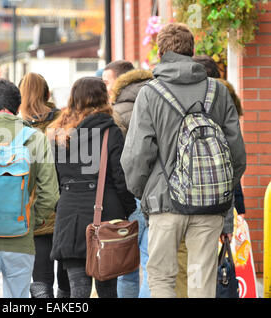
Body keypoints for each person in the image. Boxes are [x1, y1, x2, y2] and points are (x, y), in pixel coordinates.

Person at [121, 23, 246, 298]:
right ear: (192, 51)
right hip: (209, 205)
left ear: (161, 50)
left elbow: (136, 155)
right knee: (202, 278)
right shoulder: (219, 92)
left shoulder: (150, 93)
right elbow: (237, 154)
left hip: (164, 203)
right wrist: (221, 190)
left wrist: (144, 193)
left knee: (162, 278)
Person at [48, 77, 137, 298]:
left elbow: (55, 179)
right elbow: (120, 177)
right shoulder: (111, 132)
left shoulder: (60, 135)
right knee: (107, 287)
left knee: (78, 287)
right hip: (106, 212)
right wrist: (127, 208)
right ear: (103, 98)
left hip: (70, 216)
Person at [0, 78, 59, 298]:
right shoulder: (36, 138)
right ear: (18, 107)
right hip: (20, 237)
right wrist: (31, 221)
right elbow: (50, 194)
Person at [173, 54, 247, 298]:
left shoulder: (176, 102)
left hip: (180, 204)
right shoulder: (224, 104)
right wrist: (234, 214)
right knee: (203, 271)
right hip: (217, 204)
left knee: (185, 271)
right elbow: (234, 164)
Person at [18, 72, 71, 298]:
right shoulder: (66, 122)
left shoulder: (17, 129)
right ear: (48, 94)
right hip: (67, 208)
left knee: (40, 279)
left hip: (35, 209)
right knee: (68, 277)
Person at [104, 63, 153, 298]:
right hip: (157, 192)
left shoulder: (115, 112)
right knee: (151, 266)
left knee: (127, 269)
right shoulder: (159, 101)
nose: (105, 87)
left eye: (106, 81)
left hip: (129, 195)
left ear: (121, 81)